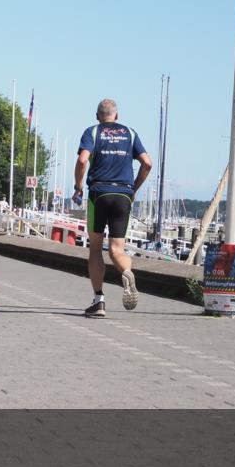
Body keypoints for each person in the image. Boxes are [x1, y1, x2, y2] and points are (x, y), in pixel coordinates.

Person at [72, 99, 152, 318]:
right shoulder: (131, 133)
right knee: (117, 249)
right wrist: (133, 188)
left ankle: (99, 301)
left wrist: (78, 187)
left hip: (99, 194)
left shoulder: (93, 132)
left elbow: (82, 161)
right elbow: (147, 163)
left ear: (98, 116)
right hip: (123, 194)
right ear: (116, 115)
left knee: (96, 249)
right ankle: (126, 272)